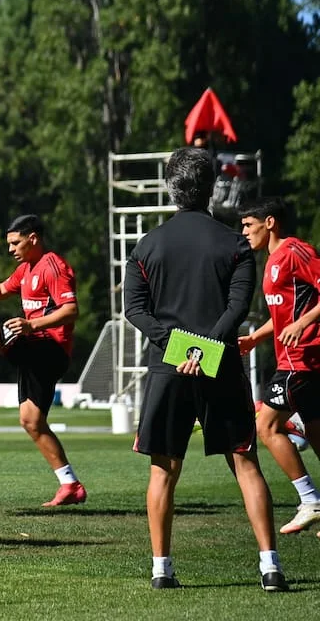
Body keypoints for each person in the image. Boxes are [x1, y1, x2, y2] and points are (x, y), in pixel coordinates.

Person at [124, 147, 287, 591]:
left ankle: (161, 570)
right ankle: (270, 567)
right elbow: (238, 307)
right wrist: (207, 348)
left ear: (169, 188)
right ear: (211, 187)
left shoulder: (146, 246)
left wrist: (178, 347)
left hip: (168, 367)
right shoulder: (236, 244)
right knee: (245, 463)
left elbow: (134, 310)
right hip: (221, 365)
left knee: (163, 470)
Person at [0, 214, 87, 507]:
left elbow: (71, 310)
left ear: (33, 238)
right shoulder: (26, 268)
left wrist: (31, 325)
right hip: (35, 348)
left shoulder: (54, 266)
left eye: (15, 242)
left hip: (49, 348)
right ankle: (70, 485)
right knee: (31, 420)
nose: (10, 249)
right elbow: (2, 290)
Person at [237, 198, 320, 536]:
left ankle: (310, 500)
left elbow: (300, 315)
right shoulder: (272, 260)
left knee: (267, 426)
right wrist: (254, 338)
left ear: (269, 222)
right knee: (315, 431)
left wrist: (303, 324)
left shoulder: (296, 251)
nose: (244, 232)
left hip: (302, 358)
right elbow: (283, 315)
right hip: (296, 359)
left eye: (248, 225)